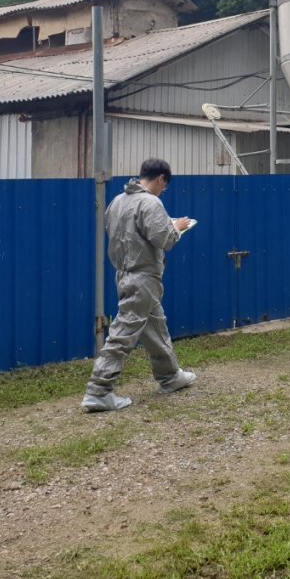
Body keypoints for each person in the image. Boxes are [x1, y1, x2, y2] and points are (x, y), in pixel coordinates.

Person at [81, 158, 197, 412]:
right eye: (164, 186)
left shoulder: (117, 202)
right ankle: (98, 390)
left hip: (124, 272)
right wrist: (176, 227)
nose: (163, 190)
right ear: (161, 179)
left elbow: (118, 233)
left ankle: (170, 377)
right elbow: (165, 239)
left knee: (155, 325)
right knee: (124, 330)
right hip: (143, 276)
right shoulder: (150, 202)